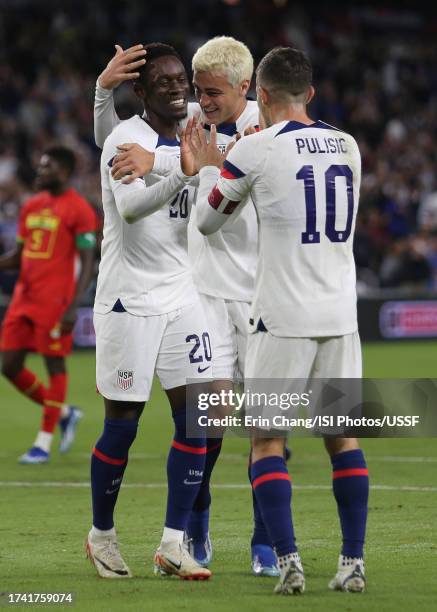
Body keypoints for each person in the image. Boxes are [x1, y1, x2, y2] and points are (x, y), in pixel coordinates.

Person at [93, 37, 280, 577]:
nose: (190, 96)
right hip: (161, 296)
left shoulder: (234, 125)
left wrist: (167, 160)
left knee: (233, 423)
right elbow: (123, 176)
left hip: (220, 295)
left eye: (195, 87)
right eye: (177, 85)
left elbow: (233, 155)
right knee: (151, 426)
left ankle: (217, 540)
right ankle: (138, 531)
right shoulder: (158, 126)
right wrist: (103, 91)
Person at [189, 47, 368, 595]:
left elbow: (208, 223)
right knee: (344, 440)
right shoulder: (349, 145)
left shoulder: (255, 150)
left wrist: (210, 167)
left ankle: (287, 560)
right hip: (341, 316)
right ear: (310, 93)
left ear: (260, 95)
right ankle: (352, 564)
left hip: (281, 319)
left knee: (266, 440)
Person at [86, 43, 211, 581]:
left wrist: (187, 164)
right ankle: (102, 536)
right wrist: (183, 173)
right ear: (141, 92)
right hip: (128, 299)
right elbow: (133, 208)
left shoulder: (196, 132)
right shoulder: (124, 137)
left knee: (197, 419)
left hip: (181, 293)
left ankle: (173, 543)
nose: (176, 86)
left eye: (180, 77)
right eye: (163, 81)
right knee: (123, 425)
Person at [0, 146, 96, 463]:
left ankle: (42, 442)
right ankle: (66, 413)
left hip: (56, 302)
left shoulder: (79, 209)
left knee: (54, 366)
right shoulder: (32, 207)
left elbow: (87, 259)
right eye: (40, 166)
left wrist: (74, 304)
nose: (40, 171)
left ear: (65, 172)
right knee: (9, 366)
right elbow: (19, 255)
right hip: (23, 299)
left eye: (47, 167)